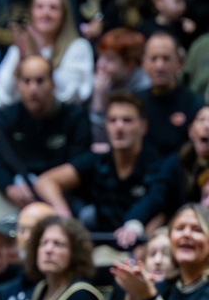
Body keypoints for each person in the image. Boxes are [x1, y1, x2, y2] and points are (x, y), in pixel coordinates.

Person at [33, 91, 177, 249]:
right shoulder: (98, 161)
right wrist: (63, 214)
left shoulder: (161, 166)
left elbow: (161, 211)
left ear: (144, 126)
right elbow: (45, 181)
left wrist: (143, 246)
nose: (119, 127)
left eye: (127, 120)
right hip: (102, 249)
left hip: (143, 249)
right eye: (113, 120)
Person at [0, 54, 92, 209]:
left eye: (40, 81)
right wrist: (10, 188)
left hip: (64, 193)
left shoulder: (76, 118)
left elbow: (80, 165)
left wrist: (47, 186)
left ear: (53, 84)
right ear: (18, 86)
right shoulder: (6, 120)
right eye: (27, 81)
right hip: (20, 195)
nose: (33, 89)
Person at [0, 0, 95, 108]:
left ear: (64, 15)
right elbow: (0, 98)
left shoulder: (78, 47)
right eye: (40, 7)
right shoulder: (19, 48)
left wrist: (39, 55)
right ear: (31, 12)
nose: (46, 13)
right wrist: (19, 63)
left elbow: (72, 95)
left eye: (53, 8)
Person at [111, 203, 209, 300]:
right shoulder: (165, 287)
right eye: (180, 228)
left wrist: (150, 299)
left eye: (197, 230)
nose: (186, 234)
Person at [135, 31, 202, 158]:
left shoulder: (194, 105)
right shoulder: (135, 104)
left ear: (179, 63)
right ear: (143, 63)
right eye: (153, 59)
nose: (159, 66)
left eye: (166, 59)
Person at [24, 215, 107, 300]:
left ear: (75, 252)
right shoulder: (40, 289)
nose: (48, 249)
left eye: (58, 244)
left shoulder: (80, 294)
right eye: (44, 242)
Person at [90, 28, 149, 145]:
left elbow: (105, 139)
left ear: (130, 64)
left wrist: (99, 101)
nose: (101, 65)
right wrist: (98, 99)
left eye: (109, 59)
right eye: (100, 57)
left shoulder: (144, 89)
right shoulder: (102, 84)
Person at [1, 200, 56, 300]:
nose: (26, 237)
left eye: (34, 230)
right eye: (22, 230)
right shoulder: (11, 282)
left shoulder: (53, 287)